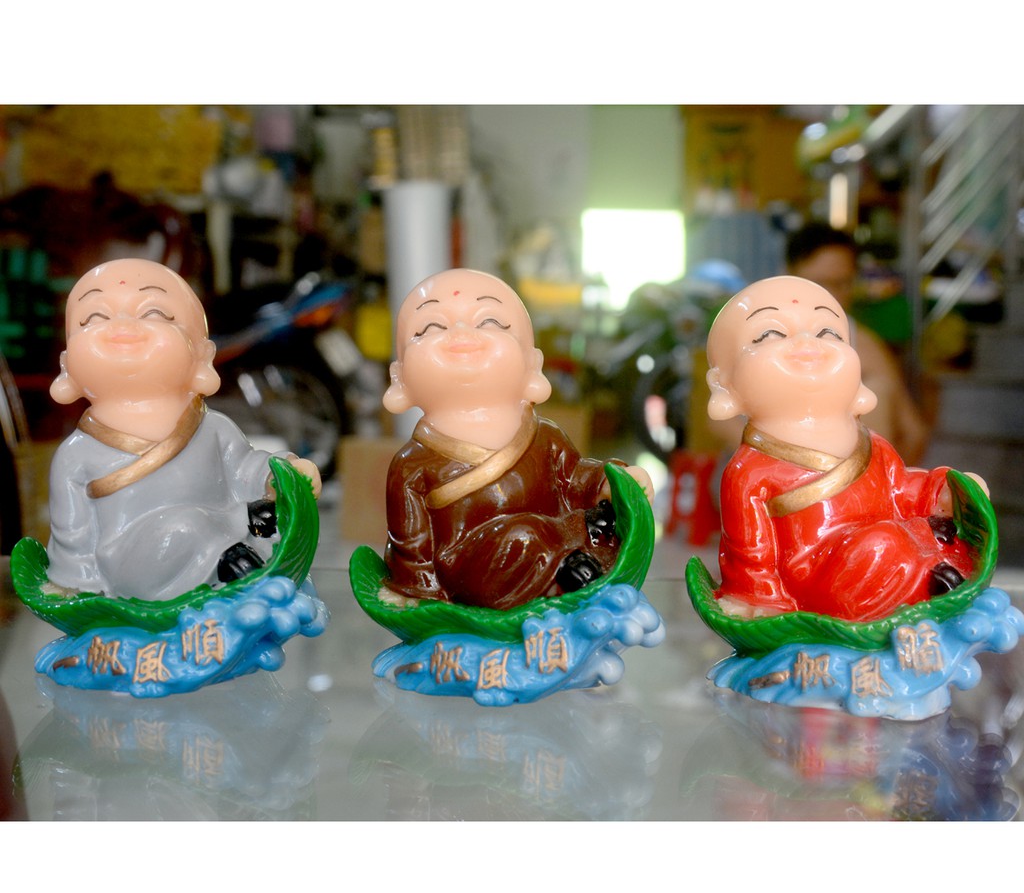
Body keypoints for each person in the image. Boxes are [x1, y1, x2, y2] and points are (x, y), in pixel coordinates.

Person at [705, 275, 985, 622]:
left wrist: (944, 492)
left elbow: (900, 489)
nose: (808, 345)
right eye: (770, 334)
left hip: (884, 546)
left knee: (928, 535)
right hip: (817, 574)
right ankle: (925, 579)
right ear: (724, 383)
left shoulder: (872, 444)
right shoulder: (750, 472)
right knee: (883, 543)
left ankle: (930, 578)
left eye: (828, 333)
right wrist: (759, 595)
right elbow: (750, 553)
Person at [44, 258, 322, 600]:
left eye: (154, 313)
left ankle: (240, 570)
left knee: (259, 517)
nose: (123, 327)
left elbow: (246, 468)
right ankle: (232, 566)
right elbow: (72, 536)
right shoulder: (77, 454)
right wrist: (77, 586)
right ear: (66, 365)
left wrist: (282, 474)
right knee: (185, 526)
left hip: (219, 528)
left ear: (201, 356)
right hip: (132, 565)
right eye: (94, 318)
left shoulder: (212, 427)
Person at [381, 267, 653, 610]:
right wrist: (418, 589)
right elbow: (411, 544)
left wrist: (611, 481)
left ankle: (568, 570)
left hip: (558, 534)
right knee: (524, 536)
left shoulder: (546, 436)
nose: (462, 335)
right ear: (400, 378)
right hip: (473, 568)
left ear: (532, 364)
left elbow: (575, 478)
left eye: (490, 322)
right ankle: (561, 572)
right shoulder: (412, 466)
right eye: (431, 327)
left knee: (598, 525)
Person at [786, 223, 930, 465]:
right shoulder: (757, 333)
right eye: (819, 284)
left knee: (878, 391)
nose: (830, 296)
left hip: (845, 478)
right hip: (769, 472)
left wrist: (888, 482)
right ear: (788, 275)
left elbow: (914, 432)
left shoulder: (862, 345)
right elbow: (721, 418)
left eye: (841, 284)